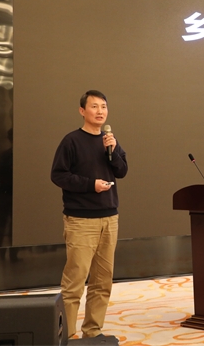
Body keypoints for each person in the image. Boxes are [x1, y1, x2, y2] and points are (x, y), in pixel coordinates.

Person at [51, 90, 128, 339]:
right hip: (81, 220)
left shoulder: (109, 140)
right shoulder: (71, 141)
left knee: (102, 281)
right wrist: (90, 185)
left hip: (110, 218)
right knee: (75, 281)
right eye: (94, 106)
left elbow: (122, 171)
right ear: (82, 111)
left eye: (103, 106)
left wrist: (113, 150)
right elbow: (58, 175)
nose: (100, 111)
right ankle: (67, 335)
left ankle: (93, 331)